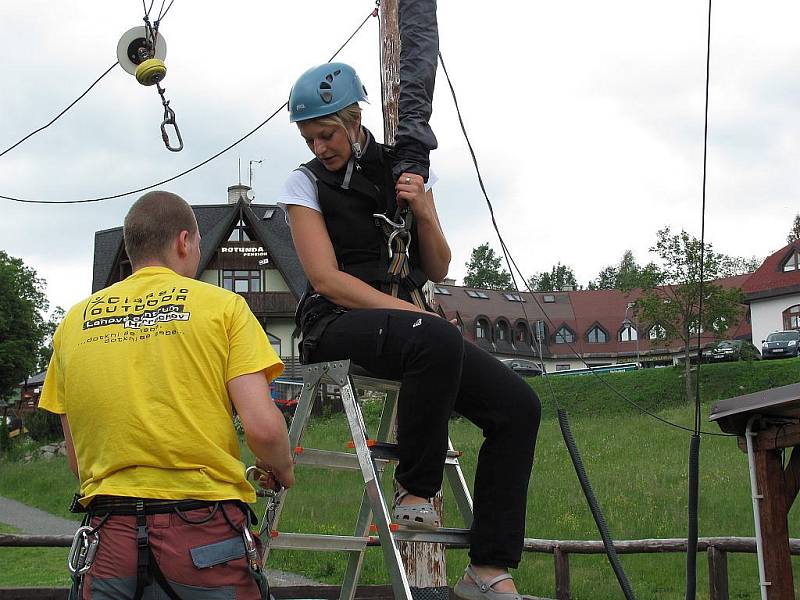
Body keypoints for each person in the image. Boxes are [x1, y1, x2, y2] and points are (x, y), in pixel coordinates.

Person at [277, 63, 541, 600]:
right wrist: (412, 317)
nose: (320, 146)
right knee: (435, 336)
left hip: (413, 334)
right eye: (310, 138)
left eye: (326, 133)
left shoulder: (401, 169)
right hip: (336, 324)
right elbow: (326, 279)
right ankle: (413, 492)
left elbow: (438, 267)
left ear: (354, 118)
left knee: (518, 407)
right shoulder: (304, 184)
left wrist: (424, 210)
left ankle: (488, 569)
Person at [39, 191, 294, 600]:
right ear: (184, 242)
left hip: (109, 537)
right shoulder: (223, 307)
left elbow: (77, 460)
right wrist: (282, 468)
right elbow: (263, 429)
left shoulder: (73, 324)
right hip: (204, 533)